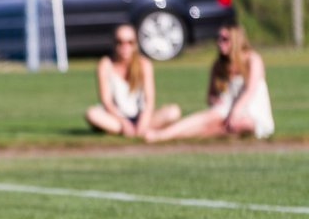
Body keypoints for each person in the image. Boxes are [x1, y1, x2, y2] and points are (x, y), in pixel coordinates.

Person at [145, 23, 274, 142]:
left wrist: (235, 112)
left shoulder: (252, 59)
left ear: (236, 40)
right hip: (226, 110)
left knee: (236, 124)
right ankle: (164, 135)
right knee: (210, 117)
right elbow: (211, 96)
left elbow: (250, 90)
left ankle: (166, 135)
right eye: (218, 39)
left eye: (225, 39)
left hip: (250, 110)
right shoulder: (218, 65)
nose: (219, 43)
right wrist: (215, 100)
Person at [84, 24, 180, 137]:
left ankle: (133, 130)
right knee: (91, 114)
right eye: (120, 42)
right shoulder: (105, 64)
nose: (125, 46)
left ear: (135, 44)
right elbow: (106, 102)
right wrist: (124, 122)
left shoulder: (144, 64)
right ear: (114, 43)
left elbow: (149, 101)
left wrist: (142, 124)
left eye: (130, 42)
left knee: (173, 111)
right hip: (115, 118)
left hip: (142, 116)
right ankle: (125, 129)